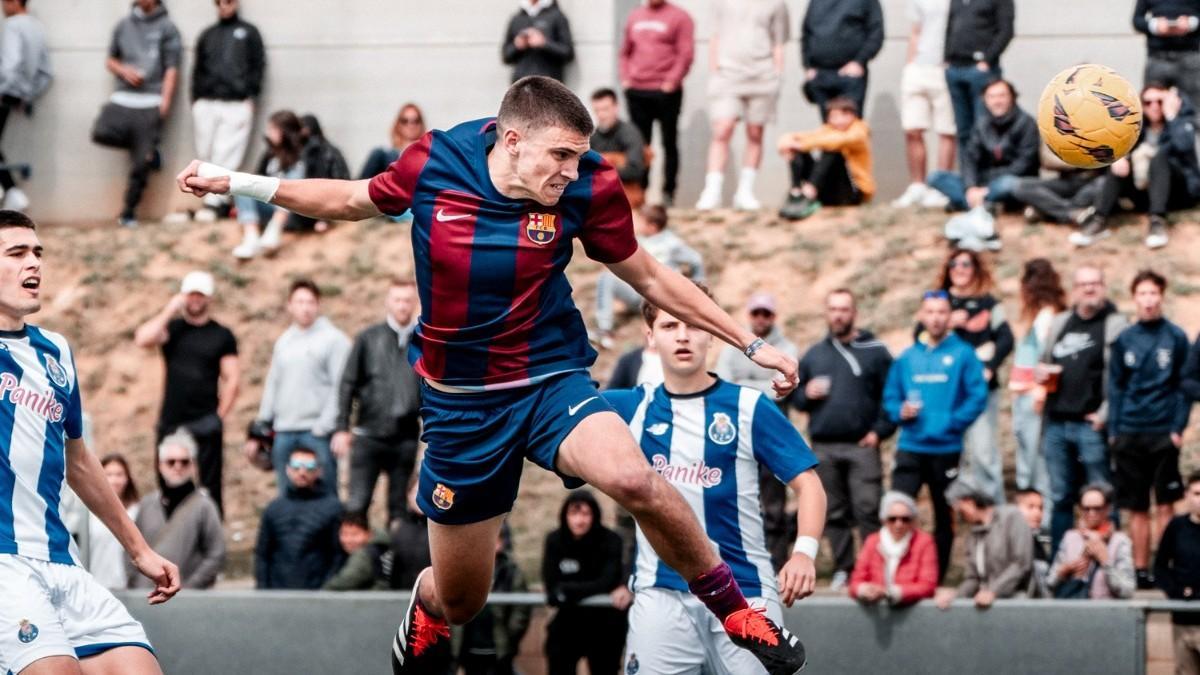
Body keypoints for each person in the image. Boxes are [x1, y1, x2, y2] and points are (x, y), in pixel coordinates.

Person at [177, 74, 805, 675]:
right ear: (512, 141)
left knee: (634, 479)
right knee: (462, 601)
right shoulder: (437, 161)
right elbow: (349, 198)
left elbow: (651, 277)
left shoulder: (588, 185)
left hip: (548, 379)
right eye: (560, 155)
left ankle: (737, 613)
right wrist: (236, 182)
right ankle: (426, 603)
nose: (572, 170)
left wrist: (751, 344)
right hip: (461, 407)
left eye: (579, 156)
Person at [603, 288, 825, 675]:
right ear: (650, 336)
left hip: (747, 592)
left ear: (711, 333)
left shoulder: (748, 406)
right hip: (661, 594)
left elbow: (809, 485)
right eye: (669, 326)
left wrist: (804, 552)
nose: (683, 335)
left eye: (693, 324)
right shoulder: (628, 407)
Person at [0, 210, 179, 675]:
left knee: (139, 669)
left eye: (37, 253)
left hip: (62, 560)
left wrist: (140, 550)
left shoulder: (55, 351)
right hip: (4, 565)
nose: (33, 263)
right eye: (16, 253)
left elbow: (78, 461)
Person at [790, 289, 895, 589]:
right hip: (824, 446)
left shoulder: (875, 351)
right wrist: (806, 393)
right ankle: (844, 568)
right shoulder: (814, 354)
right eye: (833, 309)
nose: (838, 315)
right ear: (827, 313)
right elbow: (796, 398)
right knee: (832, 511)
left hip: (862, 444)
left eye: (844, 309)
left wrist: (880, 431)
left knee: (868, 509)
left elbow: (892, 394)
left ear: (854, 313)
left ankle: (875, 569)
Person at [884, 290, 988, 581]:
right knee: (898, 511)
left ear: (950, 316)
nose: (936, 318)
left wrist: (952, 423)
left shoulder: (963, 354)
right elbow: (891, 397)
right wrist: (899, 411)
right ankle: (898, 577)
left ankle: (935, 580)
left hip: (947, 449)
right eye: (930, 312)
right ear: (921, 315)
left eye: (942, 312)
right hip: (910, 446)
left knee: (944, 516)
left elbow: (977, 397)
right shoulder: (907, 357)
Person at [133, 270, 239, 517]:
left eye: (200, 295)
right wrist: (170, 309)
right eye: (191, 294)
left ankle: (210, 532)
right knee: (168, 481)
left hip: (205, 419)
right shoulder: (172, 329)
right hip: (171, 419)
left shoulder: (222, 335)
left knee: (210, 486)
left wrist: (219, 417)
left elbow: (232, 379)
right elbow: (143, 339)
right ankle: (170, 530)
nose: (195, 299)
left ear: (209, 298)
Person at [1109, 269, 1190, 589]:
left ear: (1162, 296)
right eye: (1142, 293)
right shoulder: (1125, 339)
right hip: (1130, 430)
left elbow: (1184, 386)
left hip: (1163, 431)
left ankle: (1164, 565)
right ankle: (1141, 570)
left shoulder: (1175, 337)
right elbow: (1116, 386)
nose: (1148, 300)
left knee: (1166, 503)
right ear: (1134, 298)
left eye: (1153, 293)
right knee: (1137, 506)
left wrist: (1177, 427)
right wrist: (1114, 429)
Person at [1040, 265, 1126, 555]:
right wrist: (1041, 374)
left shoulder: (1114, 324)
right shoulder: (1061, 322)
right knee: (1060, 496)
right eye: (1083, 284)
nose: (1089, 288)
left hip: (1090, 425)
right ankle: (1061, 561)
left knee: (1102, 495)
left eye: (1095, 283)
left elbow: (1121, 377)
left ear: (1103, 286)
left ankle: (1111, 560)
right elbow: (1045, 360)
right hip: (1056, 423)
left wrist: (1105, 414)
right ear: (1074, 290)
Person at [715, 291, 799, 571]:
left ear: (773, 317)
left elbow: (781, 389)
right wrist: (763, 387)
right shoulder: (732, 346)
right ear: (749, 315)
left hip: (772, 436)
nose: (761, 318)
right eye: (756, 313)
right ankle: (738, 564)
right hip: (737, 435)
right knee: (736, 500)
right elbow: (723, 383)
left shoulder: (786, 348)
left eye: (766, 313)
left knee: (774, 505)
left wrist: (744, 384)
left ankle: (776, 564)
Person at [926, 248, 1013, 506]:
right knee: (954, 455)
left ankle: (996, 512)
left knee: (984, 453)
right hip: (946, 394)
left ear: (976, 268)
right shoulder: (938, 302)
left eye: (966, 264)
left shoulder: (988, 303)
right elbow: (920, 336)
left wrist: (990, 366)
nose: (960, 269)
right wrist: (949, 322)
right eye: (954, 263)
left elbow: (1006, 338)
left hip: (979, 393)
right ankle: (963, 512)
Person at [334, 278, 421, 525]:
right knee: (357, 504)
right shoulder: (368, 339)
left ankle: (394, 550)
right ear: (388, 302)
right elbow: (348, 383)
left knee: (399, 509)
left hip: (405, 437)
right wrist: (342, 427)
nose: (402, 306)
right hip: (368, 435)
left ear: (415, 303)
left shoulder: (423, 342)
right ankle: (355, 548)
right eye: (397, 300)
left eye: (407, 300)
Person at [251, 279, 351, 495]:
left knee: (324, 496)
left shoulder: (334, 340)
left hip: (316, 433)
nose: (305, 308)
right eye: (300, 302)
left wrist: (324, 426)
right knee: (286, 496)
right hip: (284, 432)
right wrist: (262, 425)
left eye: (310, 302)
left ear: (318, 305)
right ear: (290, 305)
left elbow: (342, 386)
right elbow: (273, 384)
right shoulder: (284, 341)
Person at [1070, 84, 1200, 249]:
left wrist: (1171, 116)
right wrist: (1120, 158)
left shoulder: (1181, 122)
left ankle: (1157, 222)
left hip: (1177, 193)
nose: (1154, 106)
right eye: (1148, 102)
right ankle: (1098, 220)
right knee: (1119, 161)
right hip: (1144, 193)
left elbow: (1184, 146)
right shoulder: (1137, 129)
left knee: (1159, 157)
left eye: (1159, 101)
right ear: (1142, 105)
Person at [92, 0, 181, 228]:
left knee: (140, 164)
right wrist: (123, 70)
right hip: (122, 98)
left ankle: (128, 212)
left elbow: (172, 69)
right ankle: (148, 148)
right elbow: (110, 60)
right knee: (100, 132)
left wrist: (164, 104)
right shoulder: (123, 25)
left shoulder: (168, 27)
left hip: (151, 101)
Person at [696, 0, 790, 211]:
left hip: (763, 75)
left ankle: (745, 192)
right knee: (723, 129)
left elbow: (779, 42)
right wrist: (715, 71)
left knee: (755, 132)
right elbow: (714, 37)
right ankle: (712, 190)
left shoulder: (776, 4)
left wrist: (778, 75)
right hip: (727, 74)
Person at [188, 0, 265, 222]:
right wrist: (196, 99)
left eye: (228, 1)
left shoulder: (249, 32)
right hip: (207, 101)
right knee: (206, 153)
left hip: (236, 102)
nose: (223, 6)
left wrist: (251, 96)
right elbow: (197, 69)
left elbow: (258, 66)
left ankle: (215, 204)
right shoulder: (208, 34)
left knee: (226, 154)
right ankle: (216, 200)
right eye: (219, 2)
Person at [594, 203, 704, 348]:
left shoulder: (671, 244)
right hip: (638, 294)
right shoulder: (636, 240)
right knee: (606, 279)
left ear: (652, 227)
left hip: (659, 298)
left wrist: (696, 291)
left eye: (639, 221)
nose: (635, 224)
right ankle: (605, 331)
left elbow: (696, 260)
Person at [541, 491, 626, 675]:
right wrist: (590, 588)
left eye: (586, 514)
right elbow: (552, 589)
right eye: (574, 513)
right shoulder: (554, 540)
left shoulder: (611, 540)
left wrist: (567, 590)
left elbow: (607, 580)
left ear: (595, 515)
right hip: (567, 622)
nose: (579, 521)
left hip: (604, 625)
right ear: (565, 515)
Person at [926, 78, 1039, 216]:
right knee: (936, 177)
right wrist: (971, 187)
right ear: (985, 100)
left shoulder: (1026, 123)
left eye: (1002, 96)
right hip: (981, 182)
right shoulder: (981, 124)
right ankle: (984, 204)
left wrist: (986, 188)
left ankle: (966, 203)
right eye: (991, 97)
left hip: (1008, 181)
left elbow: (1024, 164)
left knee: (1009, 184)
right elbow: (970, 158)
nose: (997, 101)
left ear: (1012, 97)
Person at [619, 0, 694, 206]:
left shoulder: (680, 16)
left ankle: (668, 193)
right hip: (637, 90)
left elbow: (686, 53)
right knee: (640, 144)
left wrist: (672, 81)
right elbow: (625, 51)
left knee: (669, 142)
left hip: (666, 91)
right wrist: (626, 78)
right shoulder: (635, 15)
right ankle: (641, 192)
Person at [131, 430, 225, 590]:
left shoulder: (204, 506)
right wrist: (135, 583)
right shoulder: (147, 505)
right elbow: (131, 547)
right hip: (146, 594)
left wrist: (190, 587)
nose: (177, 466)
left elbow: (216, 553)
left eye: (184, 462)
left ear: (193, 465)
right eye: (171, 462)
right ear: (160, 465)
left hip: (187, 596)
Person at [1009, 259, 1065, 502]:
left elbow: (1048, 357)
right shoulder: (1040, 317)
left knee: (1035, 463)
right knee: (1028, 458)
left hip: (1034, 397)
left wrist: (1040, 393)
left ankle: (1039, 511)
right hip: (1024, 395)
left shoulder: (1046, 317)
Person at [892, 0, 956, 209]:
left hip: (946, 67)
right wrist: (910, 64)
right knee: (912, 129)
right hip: (918, 68)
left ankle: (941, 188)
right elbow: (916, 31)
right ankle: (917, 186)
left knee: (946, 131)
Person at [254, 445, 344, 590]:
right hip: (278, 593)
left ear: (319, 471)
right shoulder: (274, 508)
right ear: (288, 470)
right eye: (296, 467)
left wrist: (328, 591)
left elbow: (338, 555)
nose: (302, 472)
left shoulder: (333, 508)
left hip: (318, 592)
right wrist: (263, 590)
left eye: (309, 467)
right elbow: (262, 554)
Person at [936, 478, 1034, 609]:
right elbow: (973, 578)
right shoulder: (973, 536)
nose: (959, 514)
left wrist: (994, 591)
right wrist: (956, 595)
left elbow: (1021, 563)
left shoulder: (1011, 517)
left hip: (1018, 600)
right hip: (987, 603)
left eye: (959, 509)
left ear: (969, 502)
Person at [777, 96, 874, 220]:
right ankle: (796, 192)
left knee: (833, 151)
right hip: (827, 192)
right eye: (833, 117)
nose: (837, 121)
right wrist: (787, 144)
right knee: (797, 150)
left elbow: (839, 140)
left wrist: (802, 144)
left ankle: (809, 191)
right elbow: (799, 137)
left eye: (841, 116)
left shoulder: (860, 130)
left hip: (852, 192)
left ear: (852, 115)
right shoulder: (828, 130)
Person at [453, 525, 530, 675]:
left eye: (496, 538)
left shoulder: (512, 572)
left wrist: (508, 637)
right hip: (470, 647)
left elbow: (521, 611)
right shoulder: (465, 569)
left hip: (498, 650)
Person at [943, 0, 1014, 156]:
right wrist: (947, 58)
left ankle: (986, 169)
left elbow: (1006, 31)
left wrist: (987, 60)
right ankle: (967, 170)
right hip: (954, 68)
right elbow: (949, 27)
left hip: (981, 71)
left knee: (984, 126)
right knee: (962, 129)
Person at [232, 110, 306, 258]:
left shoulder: (301, 157)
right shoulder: (270, 155)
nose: (268, 133)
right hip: (270, 205)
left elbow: (299, 190)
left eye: (273, 129)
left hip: (292, 209)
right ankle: (251, 236)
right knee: (242, 185)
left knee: (287, 188)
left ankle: (274, 230)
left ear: (284, 132)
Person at [0, 0, 50, 212]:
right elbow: (46, 72)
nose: (2, 8)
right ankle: (11, 191)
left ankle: (11, 191)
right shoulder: (37, 26)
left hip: (5, 92)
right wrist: (26, 95)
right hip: (17, 95)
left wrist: (3, 91)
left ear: (13, 3)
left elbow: (10, 66)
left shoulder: (13, 25)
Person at [848, 491, 938, 607]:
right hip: (876, 609)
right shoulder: (872, 541)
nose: (898, 524)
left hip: (909, 608)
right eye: (892, 519)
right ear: (884, 520)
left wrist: (892, 592)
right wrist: (864, 589)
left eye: (905, 519)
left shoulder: (924, 542)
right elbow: (855, 581)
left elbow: (928, 585)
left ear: (912, 521)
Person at [1045, 483, 1135, 599]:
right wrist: (1064, 571)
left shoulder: (1120, 541)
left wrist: (1106, 562)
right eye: (1086, 509)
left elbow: (1127, 591)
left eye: (1097, 509)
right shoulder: (1070, 538)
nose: (1091, 513)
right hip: (1073, 606)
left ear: (1108, 509)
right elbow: (1049, 584)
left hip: (1107, 608)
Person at [799, 0, 883, 120]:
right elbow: (806, 32)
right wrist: (807, 66)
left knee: (851, 125)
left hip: (850, 75)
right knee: (828, 126)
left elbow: (876, 32)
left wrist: (859, 61)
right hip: (820, 74)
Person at [1155, 471, 1200, 675]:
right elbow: (1160, 566)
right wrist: (1177, 592)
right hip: (1182, 619)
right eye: (1197, 493)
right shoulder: (1176, 526)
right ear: (1187, 495)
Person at [84, 454, 141, 590]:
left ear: (127, 478)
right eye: (108, 474)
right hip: (94, 585)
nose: (114, 480)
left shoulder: (137, 511)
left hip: (127, 587)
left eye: (119, 474)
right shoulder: (88, 513)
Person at [589, 88, 648, 208]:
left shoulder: (630, 133)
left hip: (625, 193)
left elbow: (635, 170)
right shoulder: (593, 137)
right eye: (597, 110)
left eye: (605, 109)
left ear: (616, 107)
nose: (601, 115)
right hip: (597, 192)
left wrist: (601, 171)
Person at [1135, 0, 1200, 108]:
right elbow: (1137, 20)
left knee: (1194, 105)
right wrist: (1155, 25)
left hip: (1189, 56)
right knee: (1152, 103)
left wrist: (1191, 23)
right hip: (1158, 56)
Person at [501, 0, 574, 83]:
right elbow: (505, 56)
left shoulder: (557, 16)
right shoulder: (516, 18)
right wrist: (517, 46)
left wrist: (544, 43)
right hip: (521, 83)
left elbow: (568, 53)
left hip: (548, 84)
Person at [322, 511, 391, 591]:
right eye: (344, 534)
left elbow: (342, 582)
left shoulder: (363, 555)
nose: (348, 540)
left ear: (369, 533)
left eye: (355, 534)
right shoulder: (384, 546)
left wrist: (321, 594)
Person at [359, 104, 426, 180]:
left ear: (421, 124)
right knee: (378, 152)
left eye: (416, 121)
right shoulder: (387, 155)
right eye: (405, 121)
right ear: (398, 124)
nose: (411, 125)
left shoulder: (426, 152)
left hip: (410, 181)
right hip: (388, 180)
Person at [1015, 487, 1051, 596]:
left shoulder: (1039, 541)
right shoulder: (1010, 543)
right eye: (1030, 507)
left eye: (1040, 508)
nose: (1037, 513)